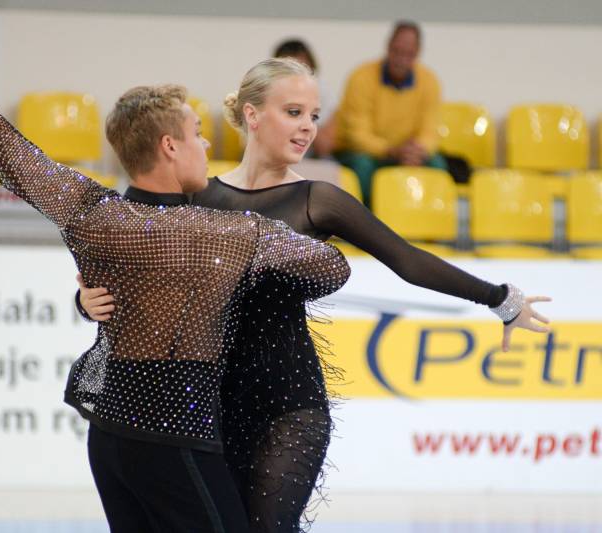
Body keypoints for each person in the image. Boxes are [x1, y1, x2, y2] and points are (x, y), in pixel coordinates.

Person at [0, 23, 354, 533]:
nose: (206, 143)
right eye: (197, 133)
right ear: (170, 146)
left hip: (108, 437)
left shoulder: (92, 214)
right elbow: (332, 268)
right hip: (174, 437)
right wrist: (262, 250)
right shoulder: (226, 234)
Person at [77, 57, 551, 532]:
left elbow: (407, 259)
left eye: (314, 115)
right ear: (252, 115)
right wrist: (84, 302)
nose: (308, 127)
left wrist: (500, 299)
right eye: (294, 112)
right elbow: (135, 273)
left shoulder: (317, 200)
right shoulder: (201, 198)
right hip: (209, 405)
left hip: (289, 406)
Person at [332, 21, 447, 208]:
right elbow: (357, 135)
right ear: (388, 47)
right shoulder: (361, 77)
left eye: (408, 54)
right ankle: (365, 218)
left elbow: (431, 131)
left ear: (417, 53)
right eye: (397, 51)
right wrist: (390, 150)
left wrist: (418, 150)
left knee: (437, 164)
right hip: (365, 153)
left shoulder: (430, 81)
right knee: (363, 165)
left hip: (407, 153)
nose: (401, 59)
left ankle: (430, 218)